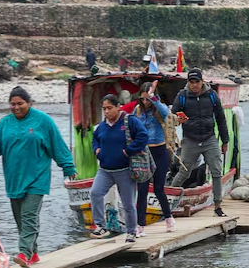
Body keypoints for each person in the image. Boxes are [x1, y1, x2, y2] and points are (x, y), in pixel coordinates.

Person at [0, 87, 77, 268]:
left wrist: (68, 166)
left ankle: (24, 253)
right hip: (14, 179)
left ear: (29, 103)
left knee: (29, 216)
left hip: (37, 178)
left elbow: (57, 144)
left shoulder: (43, 121)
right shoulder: (5, 124)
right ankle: (34, 253)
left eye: (20, 104)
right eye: (13, 104)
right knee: (20, 219)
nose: (16, 107)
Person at [89, 94, 149, 243]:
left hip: (124, 170)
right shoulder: (102, 126)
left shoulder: (129, 121)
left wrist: (128, 151)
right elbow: (95, 139)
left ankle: (131, 232)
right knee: (95, 193)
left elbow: (143, 136)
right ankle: (100, 226)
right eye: (104, 109)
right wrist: (96, 150)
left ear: (118, 107)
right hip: (105, 170)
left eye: (109, 108)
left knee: (128, 204)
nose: (107, 112)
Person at [170, 69, 230, 217]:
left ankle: (217, 206)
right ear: (188, 83)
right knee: (184, 172)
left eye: (197, 82)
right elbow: (171, 117)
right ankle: (168, 202)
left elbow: (221, 118)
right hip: (190, 139)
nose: (195, 85)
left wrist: (225, 140)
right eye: (192, 82)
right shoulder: (182, 96)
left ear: (202, 82)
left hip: (209, 138)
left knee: (216, 171)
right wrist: (178, 120)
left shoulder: (211, 96)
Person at [132, 81, 176, 234]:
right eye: (143, 99)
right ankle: (140, 225)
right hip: (144, 154)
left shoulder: (158, 109)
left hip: (160, 152)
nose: (145, 102)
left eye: (147, 99)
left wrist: (153, 98)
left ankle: (169, 217)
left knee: (158, 189)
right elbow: (130, 125)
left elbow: (166, 113)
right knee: (142, 189)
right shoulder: (137, 111)